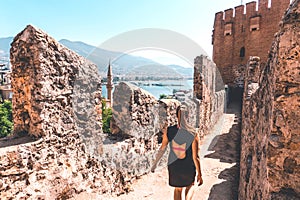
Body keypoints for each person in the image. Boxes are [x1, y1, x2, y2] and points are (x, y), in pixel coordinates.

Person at [151, 105, 203, 200]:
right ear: (188, 115)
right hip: (188, 166)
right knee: (191, 186)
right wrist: (200, 174)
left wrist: (155, 164)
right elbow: (196, 157)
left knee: (178, 189)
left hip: (174, 166)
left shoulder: (169, 131)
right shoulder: (193, 133)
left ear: (176, 116)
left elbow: (162, 148)